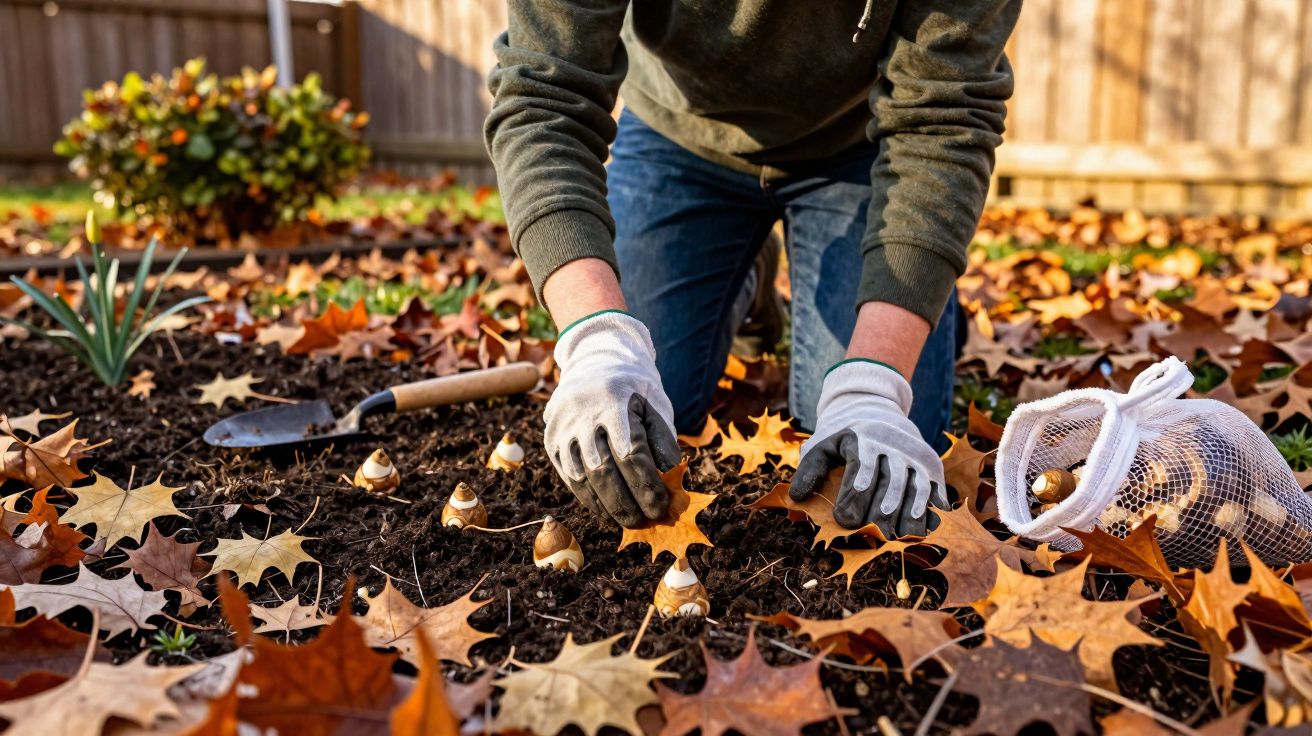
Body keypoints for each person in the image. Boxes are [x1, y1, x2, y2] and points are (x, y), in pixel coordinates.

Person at [485, 1, 1019, 537]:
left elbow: (945, 118)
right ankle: (744, 279)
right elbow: (542, 93)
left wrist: (875, 385)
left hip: (864, 147)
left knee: (861, 481)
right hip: (679, 134)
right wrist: (596, 339)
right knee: (632, 425)